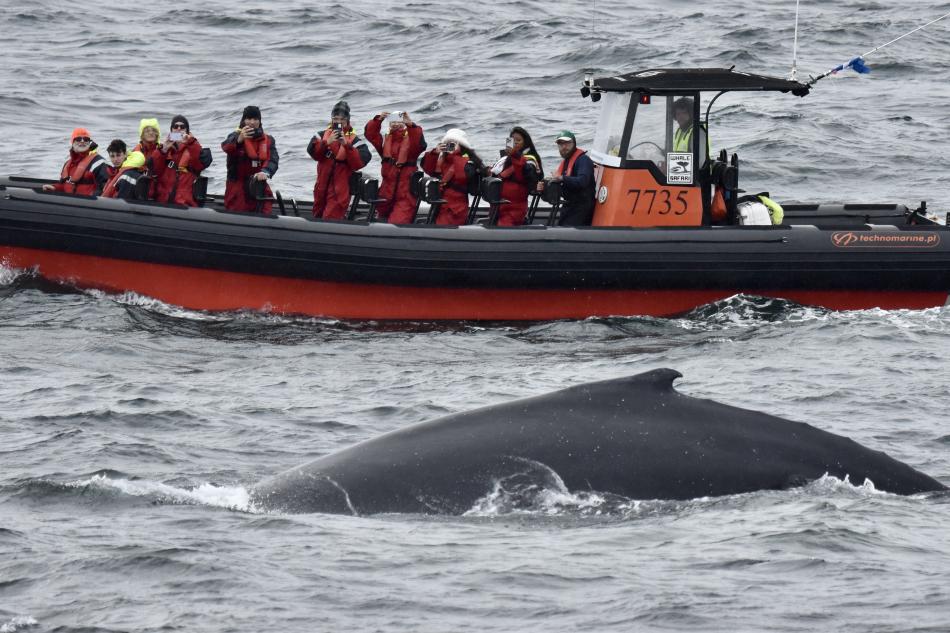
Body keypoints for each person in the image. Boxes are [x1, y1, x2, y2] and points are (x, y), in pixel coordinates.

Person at [307, 100, 372, 220]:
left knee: (329, 219)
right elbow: (313, 153)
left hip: (339, 192)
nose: (338, 122)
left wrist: (346, 145)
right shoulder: (320, 136)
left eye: (342, 119)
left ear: (347, 120)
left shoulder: (355, 141)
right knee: (317, 216)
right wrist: (326, 142)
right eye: (335, 118)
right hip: (320, 189)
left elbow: (359, 163)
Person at [363, 110, 426, 223]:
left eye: (399, 121)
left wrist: (410, 124)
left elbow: (419, 143)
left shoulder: (411, 142)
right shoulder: (385, 142)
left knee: (397, 222)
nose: (396, 124)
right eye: (393, 122)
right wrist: (378, 120)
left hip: (405, 195)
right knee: (380, 222)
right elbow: (370, 135)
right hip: (385, 194)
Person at [420, 128, 486, 226]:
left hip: (456, 207)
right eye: (448, 143)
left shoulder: (468, 161)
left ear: (461, 145)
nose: (450, 145)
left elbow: (462, 176)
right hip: (440, 203)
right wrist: (434, 153)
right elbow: (427, 168)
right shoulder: (443, 159)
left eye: (454, 143)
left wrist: (456, 154)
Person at [220, 105, 279, 213]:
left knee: (266, 208)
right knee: (239, 211)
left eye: (255, 119)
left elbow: (273, 160)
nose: (252, 122)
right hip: (238, 186)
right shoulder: (234, 136)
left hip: (259, 185)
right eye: (249, 119)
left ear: (259, 121)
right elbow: (226, 146)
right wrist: (239, 140)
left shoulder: (268, 140)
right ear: (243, 120)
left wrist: (265, 171)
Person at [488, 126, 542, 226]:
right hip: (499, 205)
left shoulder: (530, 160)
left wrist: (515, 155)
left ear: (525, 142)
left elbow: (528, 174)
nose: (516, 143)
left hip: (514, 208)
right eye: (513, 140)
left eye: (519, 140)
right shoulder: (505, 159)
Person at [155, 115, 207, 206]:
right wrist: (163, 150)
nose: (179, 129)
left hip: (184, 204)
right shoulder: (164, 150)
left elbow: (200, 163)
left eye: (182, 127)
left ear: (187, 131)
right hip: (164, 204)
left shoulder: (193, 148)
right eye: (175, 127)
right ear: (171, 131)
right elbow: (154, 169)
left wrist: (190, 142)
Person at [42, 127, 110, 196]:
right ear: (72, 142)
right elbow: (64, 185)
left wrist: (90, 199)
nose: (82, 141)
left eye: (86, 139)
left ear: (89, 143)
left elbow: (105, 188)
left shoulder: (99, 163)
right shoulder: (67, 164)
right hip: (70, 202)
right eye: (78, 139)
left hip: (88, 203)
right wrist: (54, 188)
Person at [549, 130, 595, 226]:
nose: (564, 147)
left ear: (574, 143)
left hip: (581, 207)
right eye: (560, 144)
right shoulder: (567, 161)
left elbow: (583, 181)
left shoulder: (583, 160)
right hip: (569, 206)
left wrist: (562, 178)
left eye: (567, 143)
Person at [133, 118, 164, 199]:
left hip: (159, 191)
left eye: (153, 130)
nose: (151, 133)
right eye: (147, 131)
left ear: (157, 133)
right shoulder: (136, 151)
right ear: (142, 135)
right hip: (141, 191)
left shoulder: (163, 150)